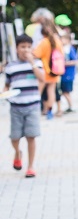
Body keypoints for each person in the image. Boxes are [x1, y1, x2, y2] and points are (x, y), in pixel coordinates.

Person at [5, 35, 46, 177]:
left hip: (33, 106)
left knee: (31, 136)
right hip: (15, 107)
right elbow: (7, 84)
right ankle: (17, 152)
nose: (26, 50)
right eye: (23, 47)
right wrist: (4, 93)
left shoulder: (37, 63)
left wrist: (32, 63)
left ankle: (31, 166)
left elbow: (42, 79)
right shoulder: (11, 66)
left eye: (29, 47)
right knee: (14, 137)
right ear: (16, 49)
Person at [32, 18, 62, 119]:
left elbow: (36, 54)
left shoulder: (44, 42)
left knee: (38, 92)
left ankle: (34, 110)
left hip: (44, 71)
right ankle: (49, 112)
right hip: (54, 71)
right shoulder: (57, 40)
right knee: (51, 92)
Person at [57, 32, 78, 115]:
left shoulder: (70, 49)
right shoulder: (62, 48)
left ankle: (71, 106)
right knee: (64, 91)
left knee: (65, 91)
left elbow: (75, 61)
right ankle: (69, 106)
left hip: (68, 75)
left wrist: (64, 63)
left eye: (63, 39)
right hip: (63, 74)